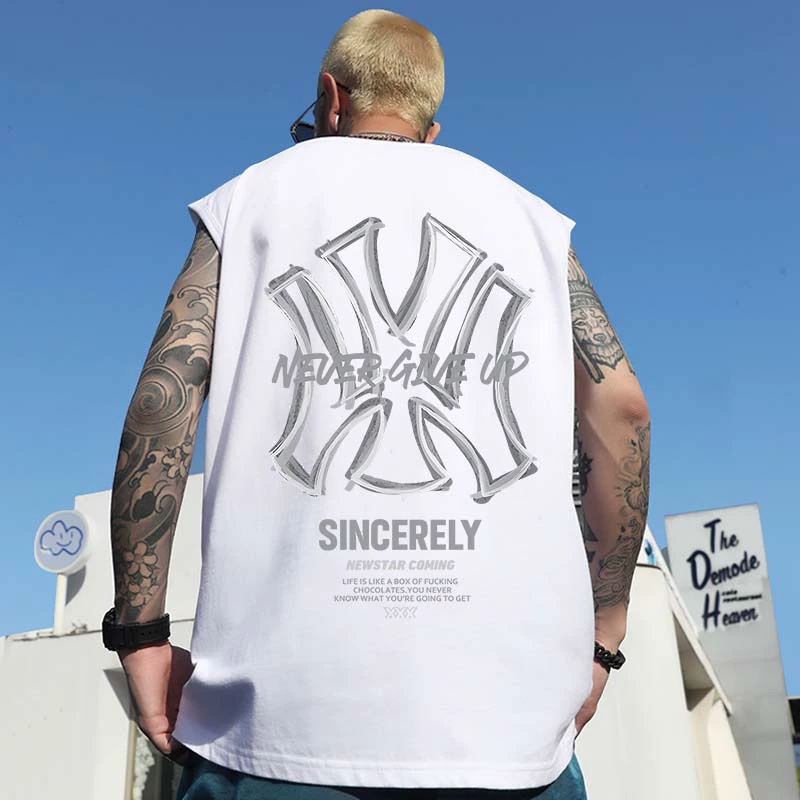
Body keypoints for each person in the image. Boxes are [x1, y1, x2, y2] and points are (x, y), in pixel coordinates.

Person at [103, 9, 650, 800]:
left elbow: (166, 397)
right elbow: (622, 409)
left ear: (331, 98)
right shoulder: (533, 221)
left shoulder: (250, 199)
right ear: (433, 129)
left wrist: (140, 630)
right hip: (510, 744)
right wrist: (603, 633)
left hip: (274, 738)